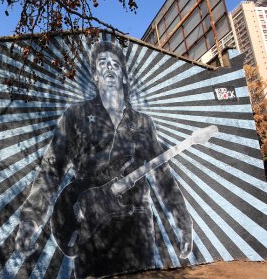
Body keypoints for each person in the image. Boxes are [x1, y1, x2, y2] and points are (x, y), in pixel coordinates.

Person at [16, 41, 193, 278]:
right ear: (96, 76)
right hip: (89, 227)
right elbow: (51, 170)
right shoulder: (75, 116)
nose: (109, 68)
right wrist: (30, 219)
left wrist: (182, 219)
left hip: (137, 227)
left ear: (124, 76)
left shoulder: (143, 123)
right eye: (103, 64)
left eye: (115, 64)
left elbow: (163, 174)